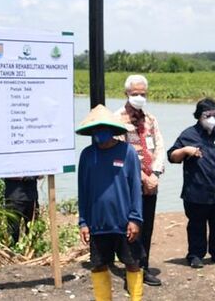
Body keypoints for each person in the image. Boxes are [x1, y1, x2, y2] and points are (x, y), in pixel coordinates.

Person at [76, 105, 144, 301]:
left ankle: (136, 298)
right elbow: (83, 190)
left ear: (112, 129)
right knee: (98, 265)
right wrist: (83, 222)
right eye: (96, 129)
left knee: (132, 263)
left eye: (104, 128)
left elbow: (135, 188)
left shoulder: (127, 152)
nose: (100, 133)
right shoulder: (87, 155)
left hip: (124, 223)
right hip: (97, 223)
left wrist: (135, 218)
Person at [168, 98, 215, 268]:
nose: (212, 118)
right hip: (196, 192)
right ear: (199, 116)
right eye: (208, 115)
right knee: (197, 226)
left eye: (214, 114)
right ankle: (195, 255)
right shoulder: (189, 134)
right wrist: (185, 150)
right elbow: (172, 156)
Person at [115, 74, 165, 286]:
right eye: (135, 94)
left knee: (147, 226)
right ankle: (132, 269)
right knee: (132, 227)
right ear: (126, 93)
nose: (139, 97)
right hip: (129, 185)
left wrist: (154, 174)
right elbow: (120, 153)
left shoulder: (151, 119)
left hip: (151, 186)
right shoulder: (117, 119)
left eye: (143, 94)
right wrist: (142, 177)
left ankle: (143, 266)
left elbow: (160, 148)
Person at [3, 176, 38, 245]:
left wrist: (34, 175)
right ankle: (12, 252)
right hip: (14, 198)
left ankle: (32, 252)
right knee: (13, 231)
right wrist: (24, 176)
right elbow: (3, 173)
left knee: (33, 229)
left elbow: (41, 175)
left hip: (32, 197)